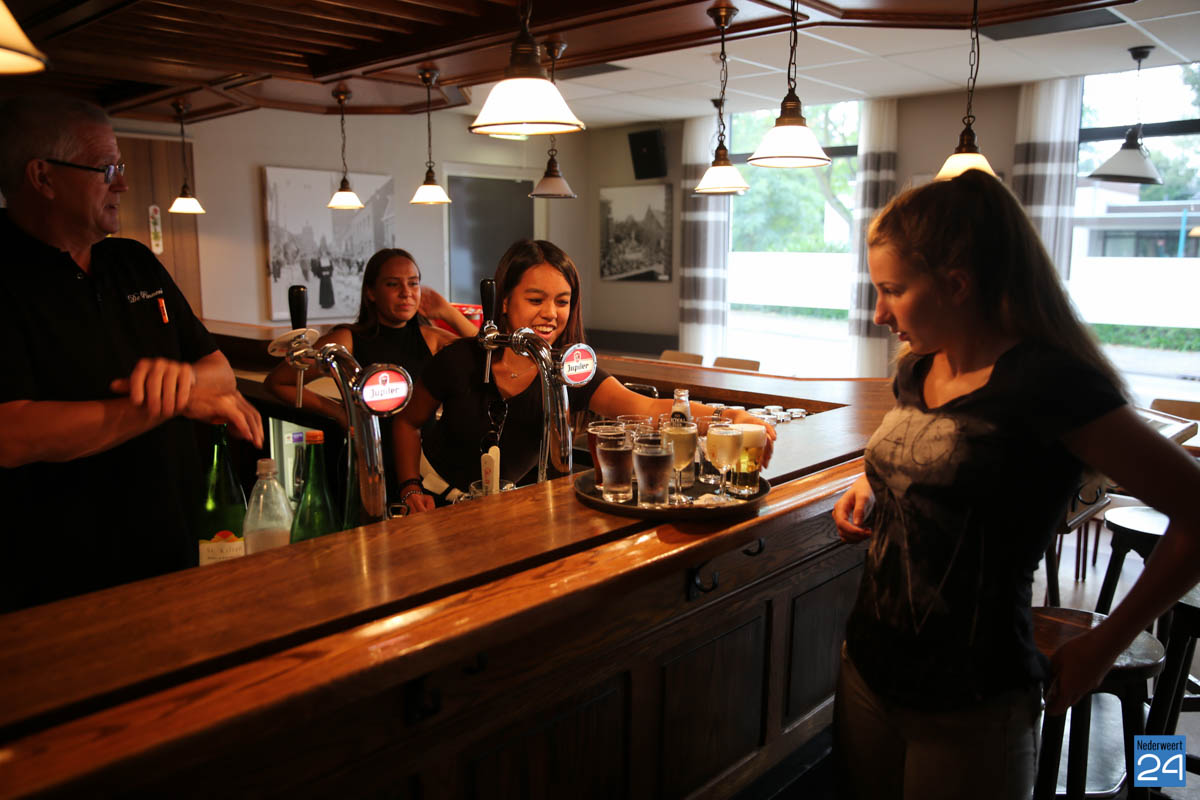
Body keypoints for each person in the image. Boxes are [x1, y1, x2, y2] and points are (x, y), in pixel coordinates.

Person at [830, 168, 1200, 799]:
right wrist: (879, 485)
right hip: (866, 667)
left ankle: (1155, 774)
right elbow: (943, 462)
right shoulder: (918, 367)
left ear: (957, 284)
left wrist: (1103, 646)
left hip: (971, 700)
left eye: (892, 290)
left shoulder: (1052, 384)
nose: (878, 312)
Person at [0, 95, 263, 612]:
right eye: (107, 169)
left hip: (170, 549)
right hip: (50, 578)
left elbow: (219, 373)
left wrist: (184, 387)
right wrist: (171, 402)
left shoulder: (132, 260)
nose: (122, 183)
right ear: (43, 177)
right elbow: (12, 434)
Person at [393, 238, 775, 512]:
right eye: (536, 299)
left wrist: (729, 416)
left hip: (507, 509)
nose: (551, 313)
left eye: (562, 301)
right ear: (504, 301)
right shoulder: (460, 359)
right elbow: (407, 422)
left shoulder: (568, 370)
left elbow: (645, 408)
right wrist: (410, 487)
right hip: (437, 501)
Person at [265, 248, 477, 498]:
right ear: (371, 292)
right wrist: (340, 412)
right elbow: (279, 382)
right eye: (393, 284)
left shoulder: (431, 339)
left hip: (423, 470)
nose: (406, 293)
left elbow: (487, 352)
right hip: (364, 464)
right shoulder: (347, 340)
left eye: (413, 283)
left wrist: (447, 312)